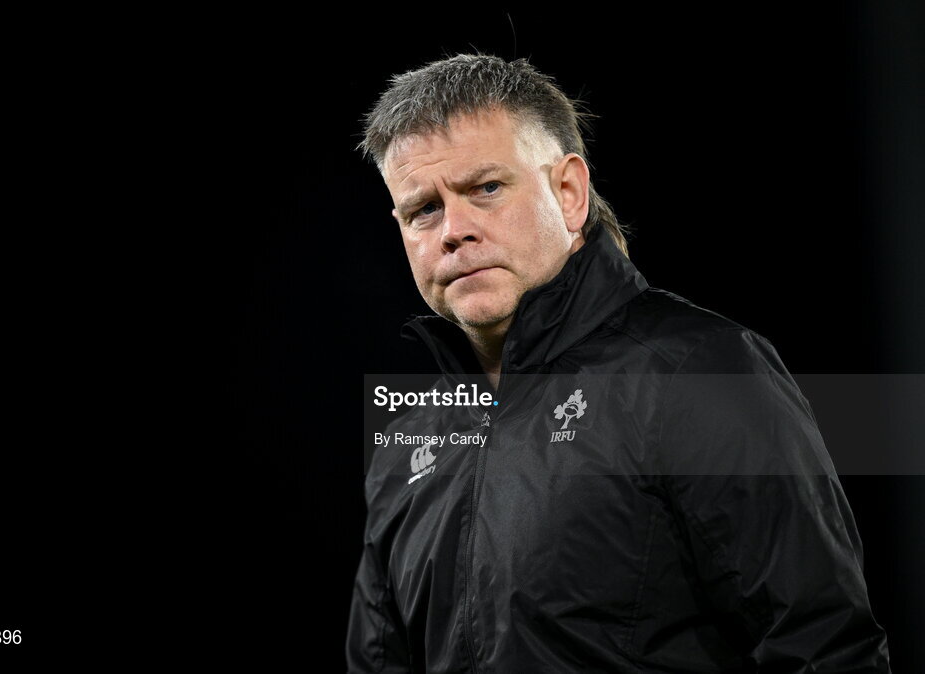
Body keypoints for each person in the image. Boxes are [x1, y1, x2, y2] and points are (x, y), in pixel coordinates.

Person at [347, 54, 890, 672]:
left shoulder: (698, 373)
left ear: (569, 192)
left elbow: (824, 648)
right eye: (423, 210)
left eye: (486, 188)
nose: (454, 230)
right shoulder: (407, 439)